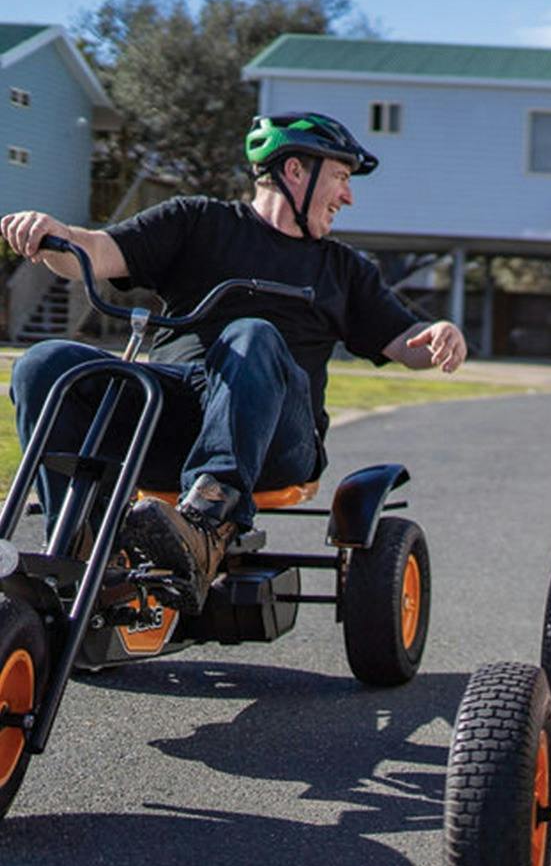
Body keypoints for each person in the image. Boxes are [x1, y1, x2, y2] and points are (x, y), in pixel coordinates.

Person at [1, 111, 467, 611]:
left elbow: (403, 341)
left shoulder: (343, 269)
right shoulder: (197, 221)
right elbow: (97, 250)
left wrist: (437, 334)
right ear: (295, 172)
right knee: (46, 364)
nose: (346, 196)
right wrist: (54, 234)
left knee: (252, 336)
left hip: (276, 440)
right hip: (172, 416)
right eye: (340, 178)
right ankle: (78, 547)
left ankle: (207, 525)